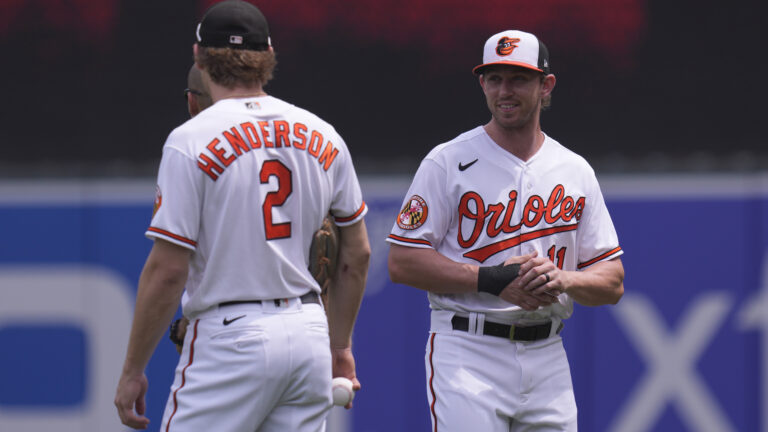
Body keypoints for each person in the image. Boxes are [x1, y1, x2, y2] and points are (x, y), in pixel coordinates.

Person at [114, 1, 370, 430]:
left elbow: (167, 271)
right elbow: (355, 256)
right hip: (307, 329)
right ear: (268, 56)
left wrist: (132, 370)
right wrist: (339, 345)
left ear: (198, 57)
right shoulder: (323, 133)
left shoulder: (190, 139)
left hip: (229, 335)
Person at [387, 30, 624, 431]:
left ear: (545, 85)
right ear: (482, 83)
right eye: (494, 78)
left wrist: (564, 278)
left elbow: (612, 281)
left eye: (518, 79)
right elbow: (402, 262)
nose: (504, 90)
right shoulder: (448, 161)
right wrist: (494, 279)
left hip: (547, 353)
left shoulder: (574, 169)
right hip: (468, 347)